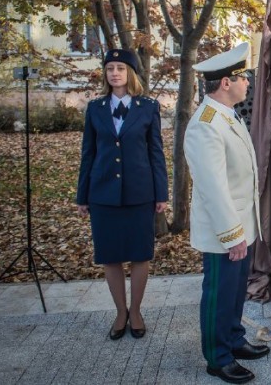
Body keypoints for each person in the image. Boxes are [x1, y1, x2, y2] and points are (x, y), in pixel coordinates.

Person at [184, 43, 269, 384]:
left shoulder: (225, 114)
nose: (248, 83)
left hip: (240, 225)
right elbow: (213, 188)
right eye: (243, 78)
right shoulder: (206, 124)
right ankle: (217, 357)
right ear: (225, 83)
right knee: (219, 292)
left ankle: (233, 338)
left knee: (235, 291)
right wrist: (233, 236)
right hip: (225, 231)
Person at [76, 48, 168, 340]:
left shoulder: (148, 107)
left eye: (120, 68)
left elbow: (156, 153)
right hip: (103, 194)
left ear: (131, 73)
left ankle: (137, 310)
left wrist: (161, 193)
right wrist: (82, 195)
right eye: (109, 68)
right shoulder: (95, 108)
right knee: (110, 256)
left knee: (141, 254)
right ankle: (120, 312)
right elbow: (87, 154)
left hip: (140, 193)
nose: (114, 73)